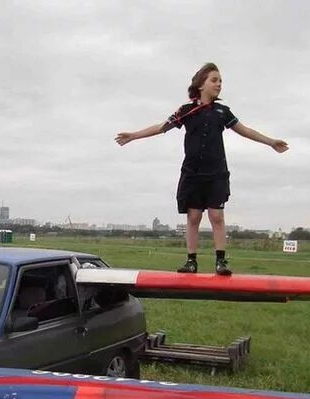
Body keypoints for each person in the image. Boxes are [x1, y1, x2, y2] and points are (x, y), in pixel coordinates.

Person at [115, 62, 288, 275]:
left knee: (217, 216)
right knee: (194, 216)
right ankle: (191, 261)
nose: (219, 84)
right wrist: (133, 135)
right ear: (201, 84)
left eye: (221, 81)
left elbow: (246, 131)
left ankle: (221, 261)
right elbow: (162, 127)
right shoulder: (187, 110)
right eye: (214, 80)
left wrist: (271, 142)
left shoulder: (222, 111)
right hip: (192, 172)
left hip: (216, 172)